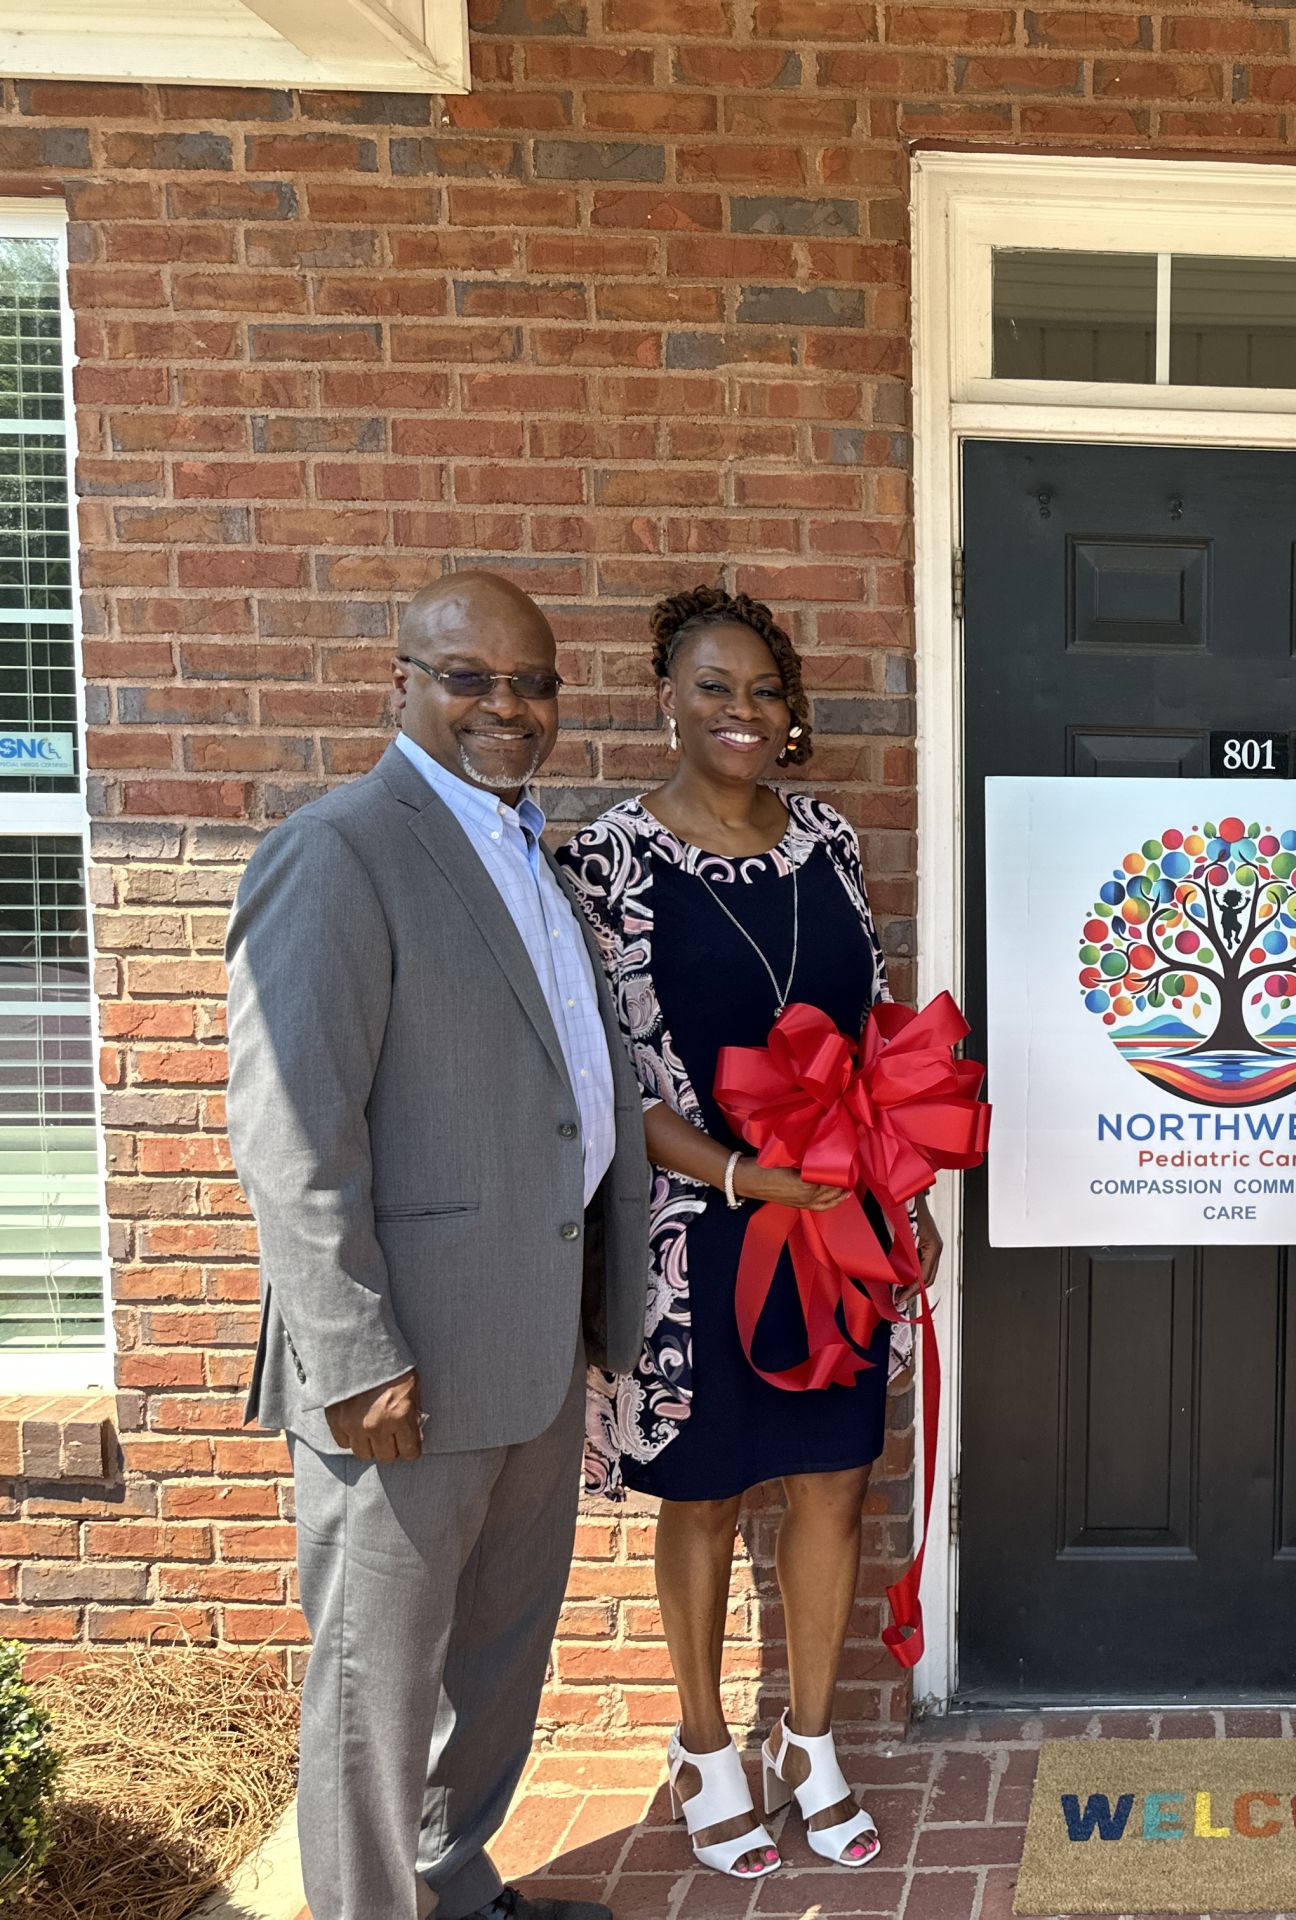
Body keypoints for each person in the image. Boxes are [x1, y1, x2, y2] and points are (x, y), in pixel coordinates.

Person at [227, 571, 649, 1920]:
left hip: (528, 1340)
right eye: (469, 677)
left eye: (532, 682)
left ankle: (453, 1885)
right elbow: (292, 1124)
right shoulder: (342, 850)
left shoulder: (529, 852)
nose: (506, 707)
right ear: (397, 682)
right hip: (401, 1365)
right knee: (375, 1683)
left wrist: (598, 1315)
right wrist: (352, 1353)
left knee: (496, 1657)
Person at [556, 584, 940, 1880]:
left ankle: (810, 1743)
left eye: (763, 692)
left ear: (791, 716)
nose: (740, 711)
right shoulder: (605, 858)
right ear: (665, 696)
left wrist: (904, 1195)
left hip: (834, 1224)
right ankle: (707, 1744)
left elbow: (878, 1036)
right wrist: (743, 1182)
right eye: (713, 687)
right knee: (708, 1497)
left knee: (834, 1482)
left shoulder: (828, 840)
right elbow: (607, 1078)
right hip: (692, 1234)